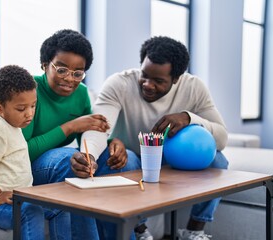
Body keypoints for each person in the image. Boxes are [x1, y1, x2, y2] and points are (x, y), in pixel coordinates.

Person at [71, 36, 229, 240]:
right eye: (144, 75)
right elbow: (99, 126)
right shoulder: (119, 83)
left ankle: (194, 230)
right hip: (133, 157)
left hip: (174, 159)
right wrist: (89, 155)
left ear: (176, 78)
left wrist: (189, 118)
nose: (147, 84)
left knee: (218, 161)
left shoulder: (193, 87)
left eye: (158, 81)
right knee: (123, 162)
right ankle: (140, 231)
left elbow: (222, 138)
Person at [22, 29, 144, 240]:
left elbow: (89, 138)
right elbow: (21, 152)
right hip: (30, 168)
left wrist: (113, 143)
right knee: (67, 160)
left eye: (78, 73)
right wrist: (70, 127)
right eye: (61, 70)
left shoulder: (80, 94)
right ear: (44, 64)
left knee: (126, 161)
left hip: (59, 162)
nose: (69, 79)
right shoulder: (28, 90)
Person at [0, 65, 71, 240]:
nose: (29, 114)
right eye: (21, 109)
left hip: (19, 199)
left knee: (61, 206)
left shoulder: (14, 127)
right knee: (31, 212)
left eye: (33, 106)